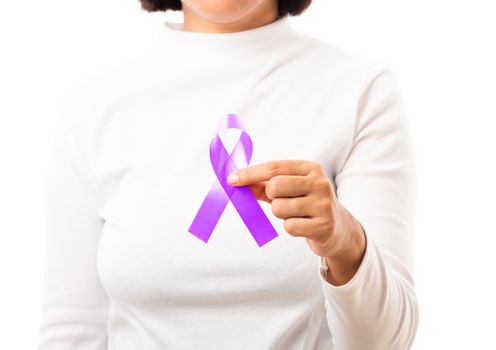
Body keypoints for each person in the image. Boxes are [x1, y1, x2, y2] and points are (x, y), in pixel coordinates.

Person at [37, 0, 419, 349]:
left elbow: (386, 342)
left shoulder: (360, 92)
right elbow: (70, 333)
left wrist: (344, 242)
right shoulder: (94, 108)